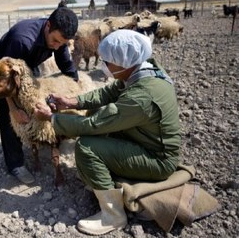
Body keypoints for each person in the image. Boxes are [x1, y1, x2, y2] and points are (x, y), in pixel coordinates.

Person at [33, 29, 181, 235]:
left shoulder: (141, 96)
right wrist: (72, 101)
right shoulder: (142, 71)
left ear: (124, 62)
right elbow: (108, 92)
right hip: (145, 139)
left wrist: (51, 118)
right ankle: (106, 177)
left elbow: (94, 125)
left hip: (158, 159)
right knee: (94, 113)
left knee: (87, 147)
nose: (104, 66)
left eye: (108, 62)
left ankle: (113, 215)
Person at [0, 7, 79, 184]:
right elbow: (7, 81)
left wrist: (74, 88)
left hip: (29, 64)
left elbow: (65, 63)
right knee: (10, 119)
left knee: (32, 103)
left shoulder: (58, 38)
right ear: (48, 26)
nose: (57, 46)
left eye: (61, 43)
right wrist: (13, 108)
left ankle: (36, 142)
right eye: (55, 41)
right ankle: (15, 164)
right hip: (3, 73)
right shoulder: (21, 40)